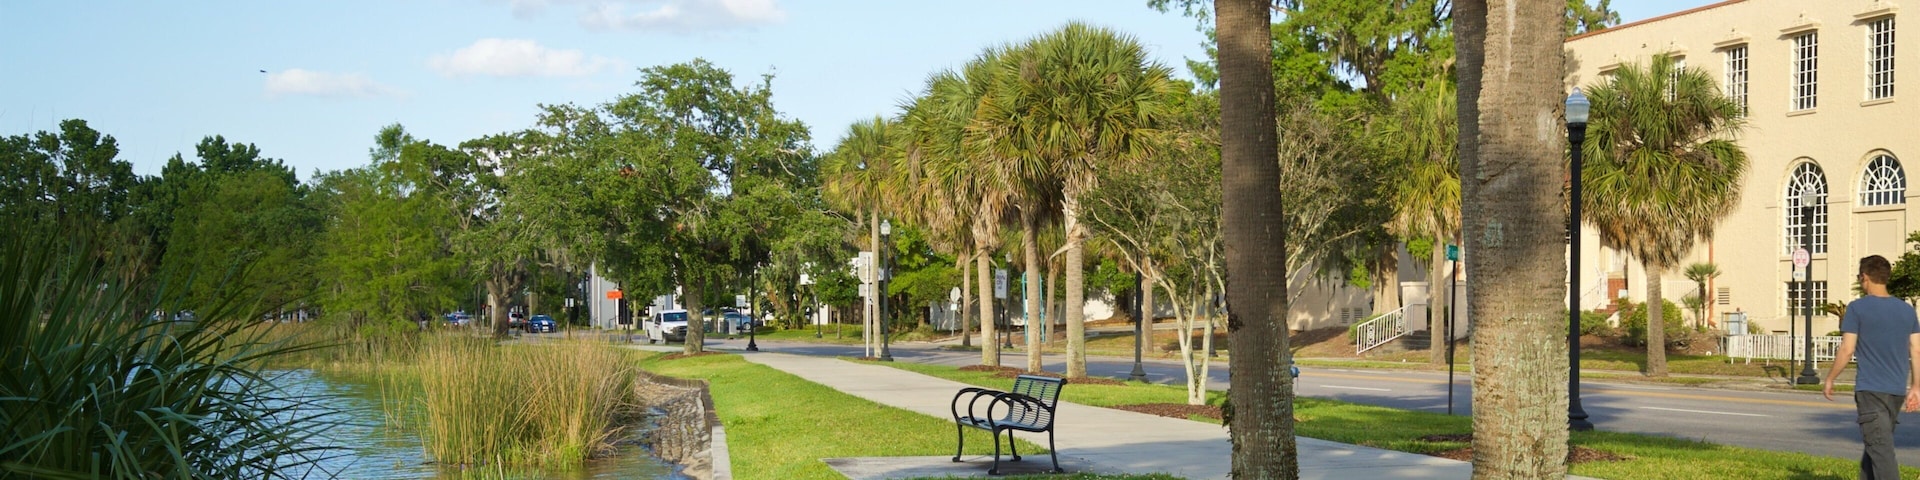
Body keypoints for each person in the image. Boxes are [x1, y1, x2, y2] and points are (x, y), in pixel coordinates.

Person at [1823, 255, 1920, 480]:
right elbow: (1916, 350)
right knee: (1876, 446)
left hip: (1870, 391)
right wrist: (1916, 386)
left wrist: (1830, 378)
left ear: (1864, 277)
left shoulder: (1857, 308)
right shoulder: (1907, 311)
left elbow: (1847, 349)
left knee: (1881, 451)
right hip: (1896, 391)